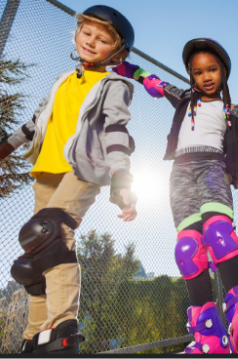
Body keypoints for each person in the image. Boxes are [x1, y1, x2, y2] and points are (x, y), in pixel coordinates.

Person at [113, 38, 238, 354]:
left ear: (223, 72)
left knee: (219, 233)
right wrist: (121, 64)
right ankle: (209, 335)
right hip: (180, 174)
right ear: (191, 76)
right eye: (198, 72)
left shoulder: (232, 112)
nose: (206, 76)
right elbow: (151, 81)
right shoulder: (183, 99)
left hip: (213, 168)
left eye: (212, 70)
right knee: (187, 249)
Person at [0, 5, 138, 353]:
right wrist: (6, 147)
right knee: (34, 252)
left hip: (83, 169)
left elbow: (116, 130)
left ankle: (63, 326)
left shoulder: (114, 83)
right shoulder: (63, 79)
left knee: (50, 235)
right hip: (46, 169)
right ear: (76, 34)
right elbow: (35, 122)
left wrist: (122, 177)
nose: (91, 41)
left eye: (103, 39)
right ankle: (34, 335)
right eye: (87, 33)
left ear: (117, 52)